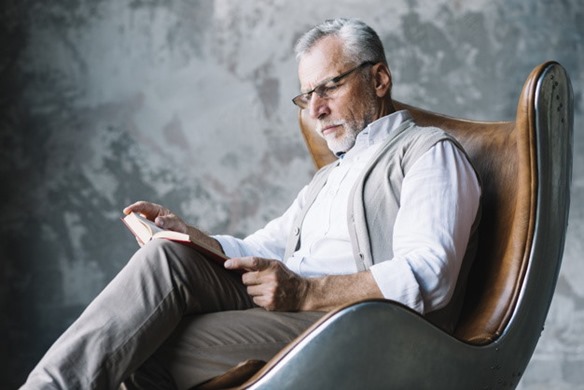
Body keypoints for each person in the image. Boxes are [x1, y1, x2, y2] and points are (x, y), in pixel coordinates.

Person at [22, 18, 481, 389]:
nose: (316, 109)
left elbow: (431, 272)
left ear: (378, 78)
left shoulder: (427, 153)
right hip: (291, 311)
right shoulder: (329, 178)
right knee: (168, 256)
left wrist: (308, 293)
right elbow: (266, 247)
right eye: (307, 96)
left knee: (143, 343)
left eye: (331, 86)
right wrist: (192, 237)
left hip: (352, 330)